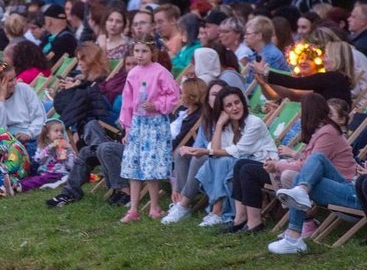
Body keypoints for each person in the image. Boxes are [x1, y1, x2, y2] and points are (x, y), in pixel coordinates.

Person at [272, 119, 367, 254]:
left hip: (359, 197)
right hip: (352, 185)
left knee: (298, 179)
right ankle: (301, 192)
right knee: (318, 157)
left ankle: (293, 236)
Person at [230, 94, 349, 235]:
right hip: (314, 177)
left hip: (335, 183)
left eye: (330, 114)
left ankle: (264, 223)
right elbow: (309, 161)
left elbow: (309, 164)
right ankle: (241, 218)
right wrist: (286, 160)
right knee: (241, 164)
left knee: (266, 173)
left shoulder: (327, 134)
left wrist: (278, 165)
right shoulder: (321, 133)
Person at [195, 86, 277, 227]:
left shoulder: (254, 123)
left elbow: (239, 150)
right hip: (244, 166)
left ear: (243, 103)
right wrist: (220, 124)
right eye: (228, 105)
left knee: (225, 162)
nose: (234, 108)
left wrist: (207, 152)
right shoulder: (227, 126)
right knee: (218, 161)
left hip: (266, 166)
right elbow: (215, 149)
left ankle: (221, 212)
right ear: (222, 109)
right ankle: (225, 213)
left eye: (237, 102)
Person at [118, 38, 180, 221]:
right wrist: (127, 127)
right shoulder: (133, 73)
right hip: (137, 123)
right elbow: (127, 102)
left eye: (144, 51)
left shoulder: (161, 73)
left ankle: (154, 206)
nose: (140, 55)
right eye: (137, 51)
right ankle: (134, 208)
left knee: (151, 165)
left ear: (153, 53)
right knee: (134, 163)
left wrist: (157, 105)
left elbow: (174, 95)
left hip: (155, 123)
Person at [163, 79, 227, 224]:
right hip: (207, 155)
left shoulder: (229, 118)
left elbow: (221, 149)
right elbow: (198, 144)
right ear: (207, 97)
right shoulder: (207, 118)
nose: (216, 98)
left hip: (221, 158)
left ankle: (183, 205)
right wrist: (189, 149)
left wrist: (200, 151)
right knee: (181, 152)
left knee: (198, 158)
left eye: (220, 95)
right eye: (213, 94)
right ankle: (180, 199)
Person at [251, 40, 354, 105]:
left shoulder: (333, 78)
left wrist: (266, 72)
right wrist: (266, 79)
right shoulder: (338, 79)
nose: (323, 59)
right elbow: (293, 95)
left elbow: (295, 83)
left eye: (327, 56)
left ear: (337, 58)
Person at [14, 119, 75, 192]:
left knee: (41, 179)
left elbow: (70, 166)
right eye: (56, 131)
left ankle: (21, 186)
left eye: (61, 131)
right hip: (45, 173)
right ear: (47, 134)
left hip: (59, 173)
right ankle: (13, 184)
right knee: (36, 178)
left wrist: (70, 150)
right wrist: (49, 147)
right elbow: (37, 159)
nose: (60, 134)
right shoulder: (42, 146)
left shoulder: (64, 148)